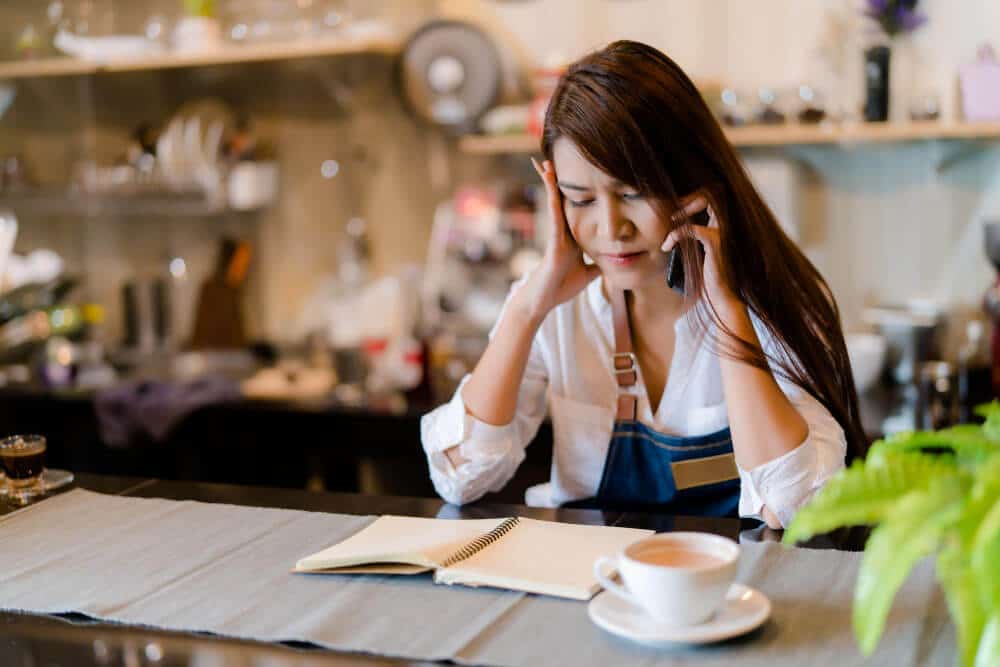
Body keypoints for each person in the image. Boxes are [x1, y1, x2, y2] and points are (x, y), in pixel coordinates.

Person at [421, 41, 865, 529]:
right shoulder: (555, 307)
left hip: (731, 589)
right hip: (586, 585)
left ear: (692, 187)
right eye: (580, 199)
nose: (611, 228)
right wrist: (528, 308)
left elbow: (797, 506)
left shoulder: (777, 300)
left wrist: (731, 318)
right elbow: (459, 478)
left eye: (633, 193)